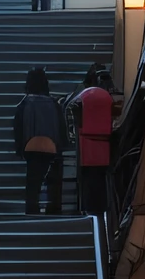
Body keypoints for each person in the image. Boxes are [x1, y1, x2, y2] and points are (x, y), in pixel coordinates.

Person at [13, 65, 66, 215]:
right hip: (52, 146)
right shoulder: (54, 104)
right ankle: (53, 209)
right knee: (53, 183)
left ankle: (32, 209)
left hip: (31, 147)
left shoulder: (25, 103)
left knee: (33, 183)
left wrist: (19, 147)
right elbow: (61, 127)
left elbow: (18, 126)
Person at [69, 65, 115, 217]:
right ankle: (102, 206)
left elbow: (69, 108)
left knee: (88, 180)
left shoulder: (83, 95)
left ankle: (87, 206)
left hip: (86, 145)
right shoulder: (108, 96)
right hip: (104, 145)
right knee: (101, 179)